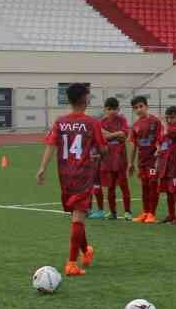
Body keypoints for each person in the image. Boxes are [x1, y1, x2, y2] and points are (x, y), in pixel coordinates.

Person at [35, 82, 105, 278]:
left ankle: (86, 251)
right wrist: (100, 153)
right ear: (84, 99)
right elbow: (103, 149)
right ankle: (72, 264)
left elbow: (50, 145)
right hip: (83, 175)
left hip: (64, 176)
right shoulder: (92, 123)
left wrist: (42, 168)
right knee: (78, 218)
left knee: (77, 216)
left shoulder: (60, 121)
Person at [129, 96, 163, 223]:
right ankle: (145, 212)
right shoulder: (135, 125)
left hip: (153, 160)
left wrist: (159, 148)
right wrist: (130, 163)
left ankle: (152, 213)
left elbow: (160, 137)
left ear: (146, 106)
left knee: (152, 185)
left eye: (141, 106)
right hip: (141, 161)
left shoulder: (155, 121)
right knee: (144, 186)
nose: (139, 109)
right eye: (136, 108)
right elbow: (133, 144)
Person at [97, 97, 132, 219]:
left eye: (114, 109)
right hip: (107, 159)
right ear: (105, 109)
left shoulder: (122, 120)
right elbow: (101, 138)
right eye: (109, 109)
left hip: (120, 158)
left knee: (123, 185)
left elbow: (124, 135)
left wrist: (107, 134)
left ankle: (128, 212)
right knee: (110, 187)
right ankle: (113, 212)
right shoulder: (101, 122)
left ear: (118, 109)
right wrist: (115, 134)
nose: (112, 111)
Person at [155, 105, 176, 224]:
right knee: (168, 190)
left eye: (172, 117)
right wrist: (157, 148)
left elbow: (173, 133)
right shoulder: (164, 128)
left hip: (173, 164)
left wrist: (164, 124)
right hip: (163, 164)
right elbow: (159, 140)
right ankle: (172, 214)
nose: (169, 120)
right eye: (167, 118)